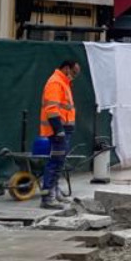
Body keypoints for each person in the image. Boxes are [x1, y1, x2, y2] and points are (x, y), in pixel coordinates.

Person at [39, 60, 80, 210]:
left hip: (63, 129)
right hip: (58, 130)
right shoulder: (56, 83)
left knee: (59, 162)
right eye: (74, 72)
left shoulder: (63, 82)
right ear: (66, 68)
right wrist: (58, 129)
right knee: (55, 162)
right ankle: (48, 197)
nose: (74, 76)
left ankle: (54, 192)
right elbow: (51, 108)